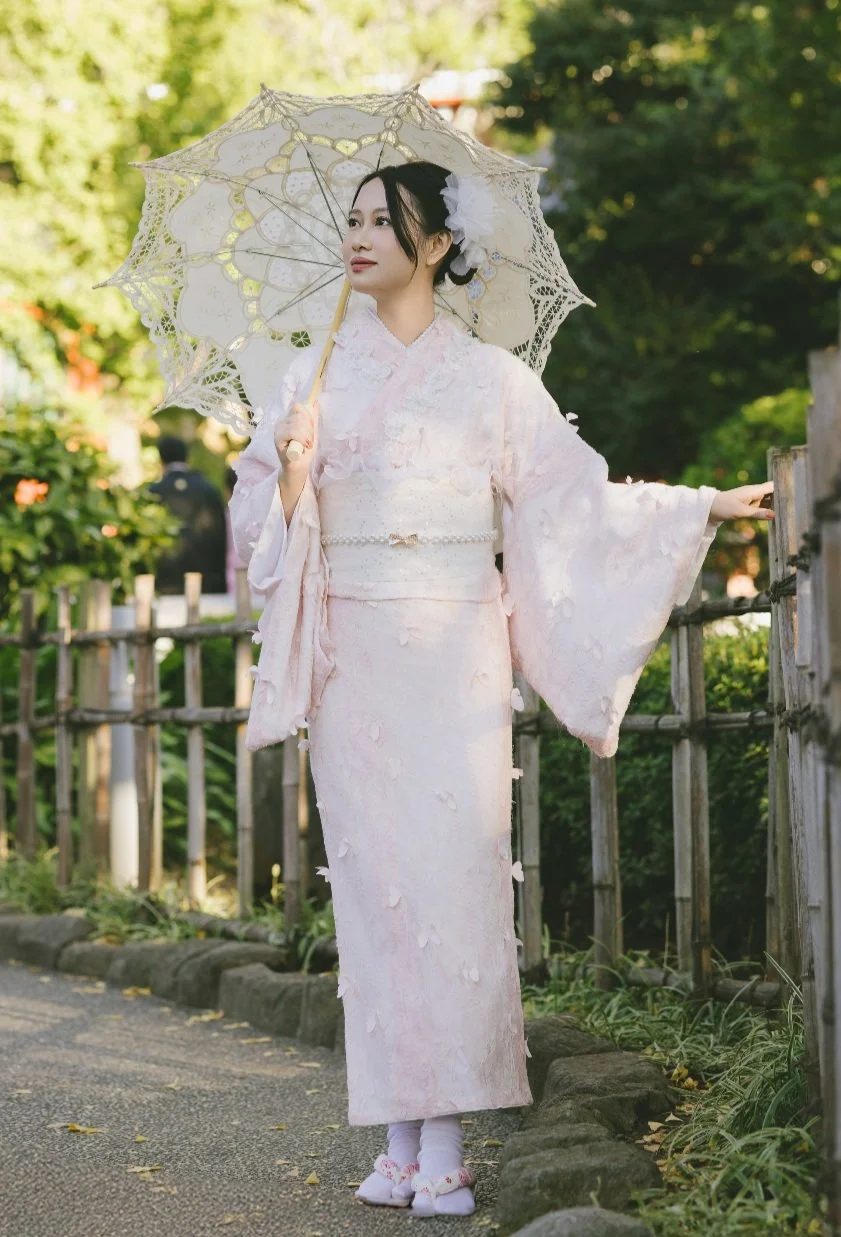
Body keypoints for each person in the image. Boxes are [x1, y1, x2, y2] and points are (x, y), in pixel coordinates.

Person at [228, 161, 773, 1217]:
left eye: (384, 220)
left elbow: (574, 503)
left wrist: (700, 504)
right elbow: (258, 544)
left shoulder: (492, 382)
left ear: (436, 245)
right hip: (353, 659)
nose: (360, 234)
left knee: (455, 884)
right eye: (351, 218)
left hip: (453, 650)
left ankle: (448, 1140)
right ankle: (396, 1138)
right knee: (379, 892)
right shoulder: (307, 377)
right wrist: (292, 472)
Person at [149, 435, 227, 595]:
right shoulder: (208, 490)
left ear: (161, 459)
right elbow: (221, 536)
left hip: (166, 582)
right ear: (187, 458)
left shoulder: (153, 493)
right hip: (207, 580)